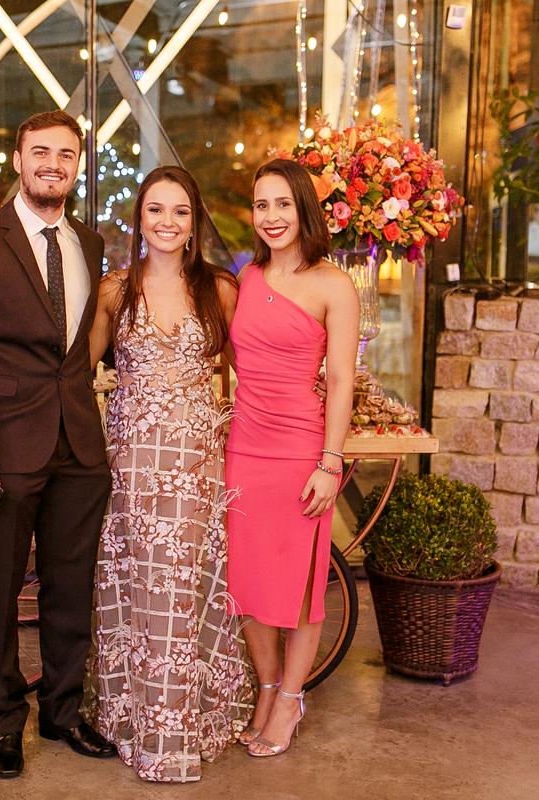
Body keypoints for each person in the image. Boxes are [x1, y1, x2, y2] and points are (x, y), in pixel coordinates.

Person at [0, 110, 117, 779]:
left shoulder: (90, 242)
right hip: (6, 449)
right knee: (0, 589)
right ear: (17, 160)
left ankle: (63, 713)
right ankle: (6, 720)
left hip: (79, 446)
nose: (53, 165)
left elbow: (81, 348)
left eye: (65, 155)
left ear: (77, 165)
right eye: (40, 152)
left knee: (72, 586)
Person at [87, 166, 251, 782]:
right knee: (140, 586)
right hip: (131, 463)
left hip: (196, 464)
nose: (167, 222)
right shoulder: (114, 290)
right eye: (156, 209)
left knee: (186, 587)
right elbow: (79, 371)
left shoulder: (220, 289)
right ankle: (138, 719)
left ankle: (184, 725)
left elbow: (250, 370)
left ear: (194, 221)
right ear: (140, 218)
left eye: (180, 211)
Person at [224, 158, 358, 757]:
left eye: (283, 203)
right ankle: (266, 688)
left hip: (302, 452)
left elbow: (342, 380)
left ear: (304, 208)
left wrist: (330, 463)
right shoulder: (247, 277)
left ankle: (291, 699)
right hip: (243, 448)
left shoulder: (334, 285)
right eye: (262, 205)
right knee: (247, 583)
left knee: (299, 587)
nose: (271, 216)